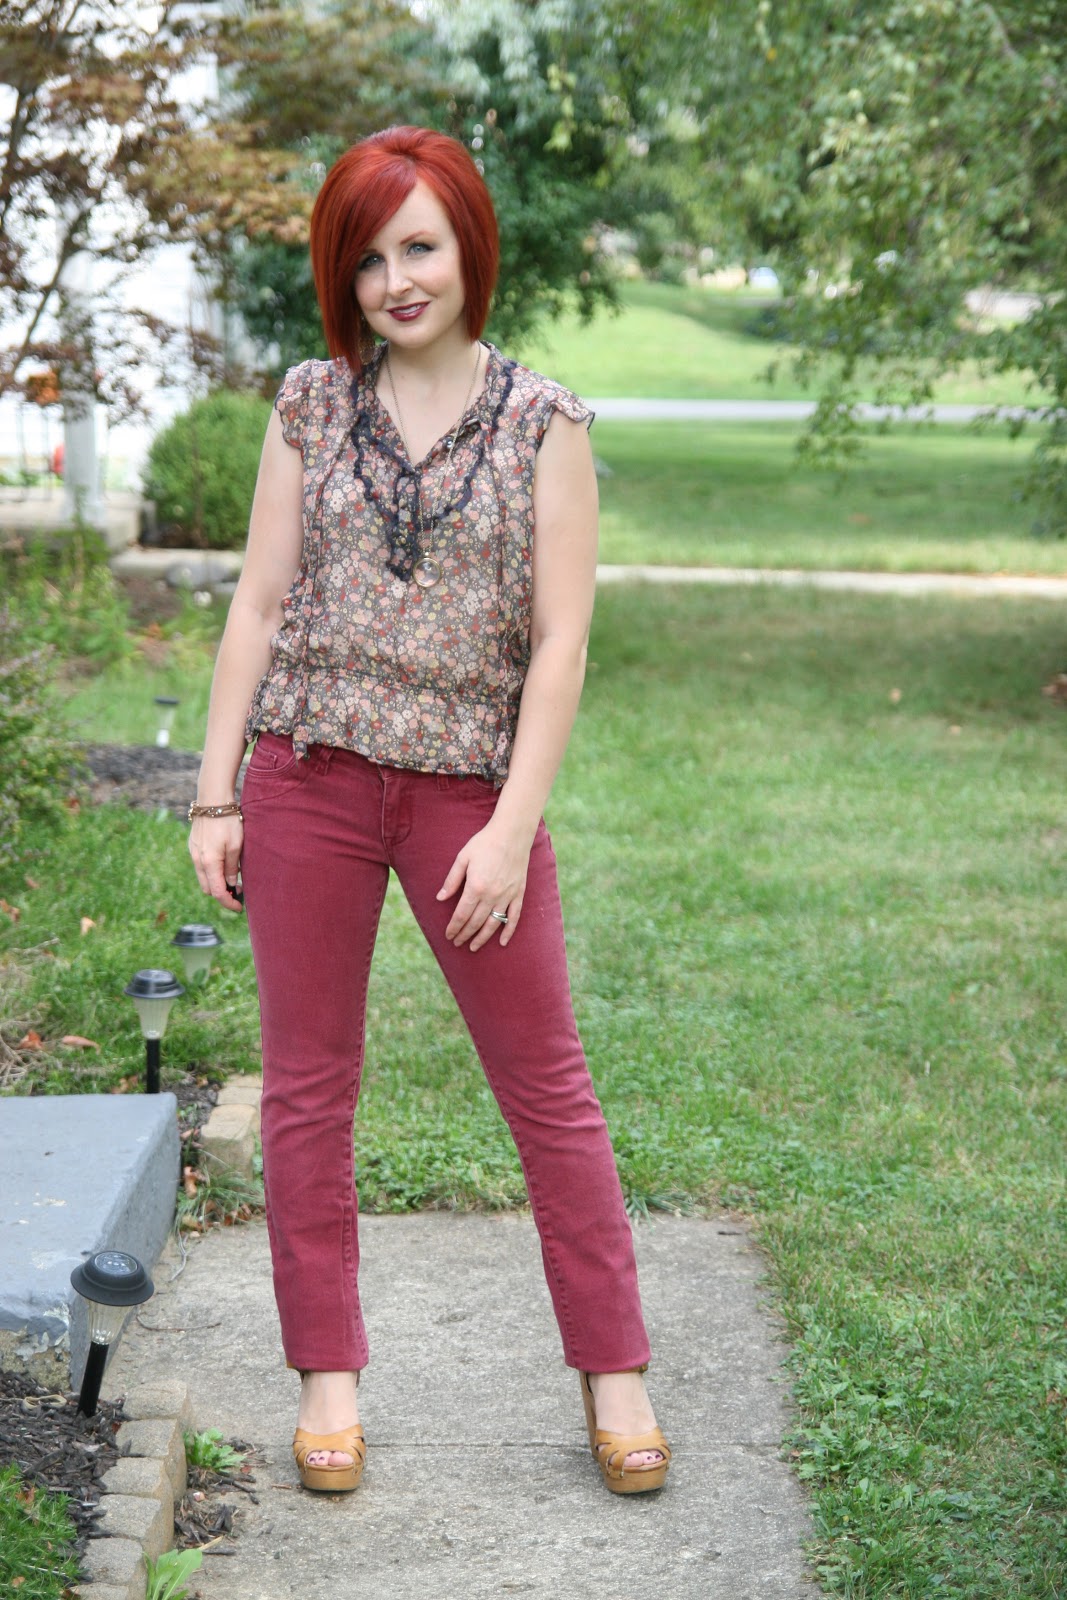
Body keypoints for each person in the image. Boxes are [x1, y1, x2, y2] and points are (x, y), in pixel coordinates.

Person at [188, 125, 670, 1497]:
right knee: (308, 1092)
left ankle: (616, 1374)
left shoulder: (545, 424)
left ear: (467, 247)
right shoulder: (306, 404)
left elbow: (559, 647)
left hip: (472, 798)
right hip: (311, 780)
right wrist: (217, 791)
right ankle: (329, 1380)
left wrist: (514, 826)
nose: (398, 278)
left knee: (549, 1092)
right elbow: (260, 606)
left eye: (420, 245)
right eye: (370, 254)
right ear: (343, 275)